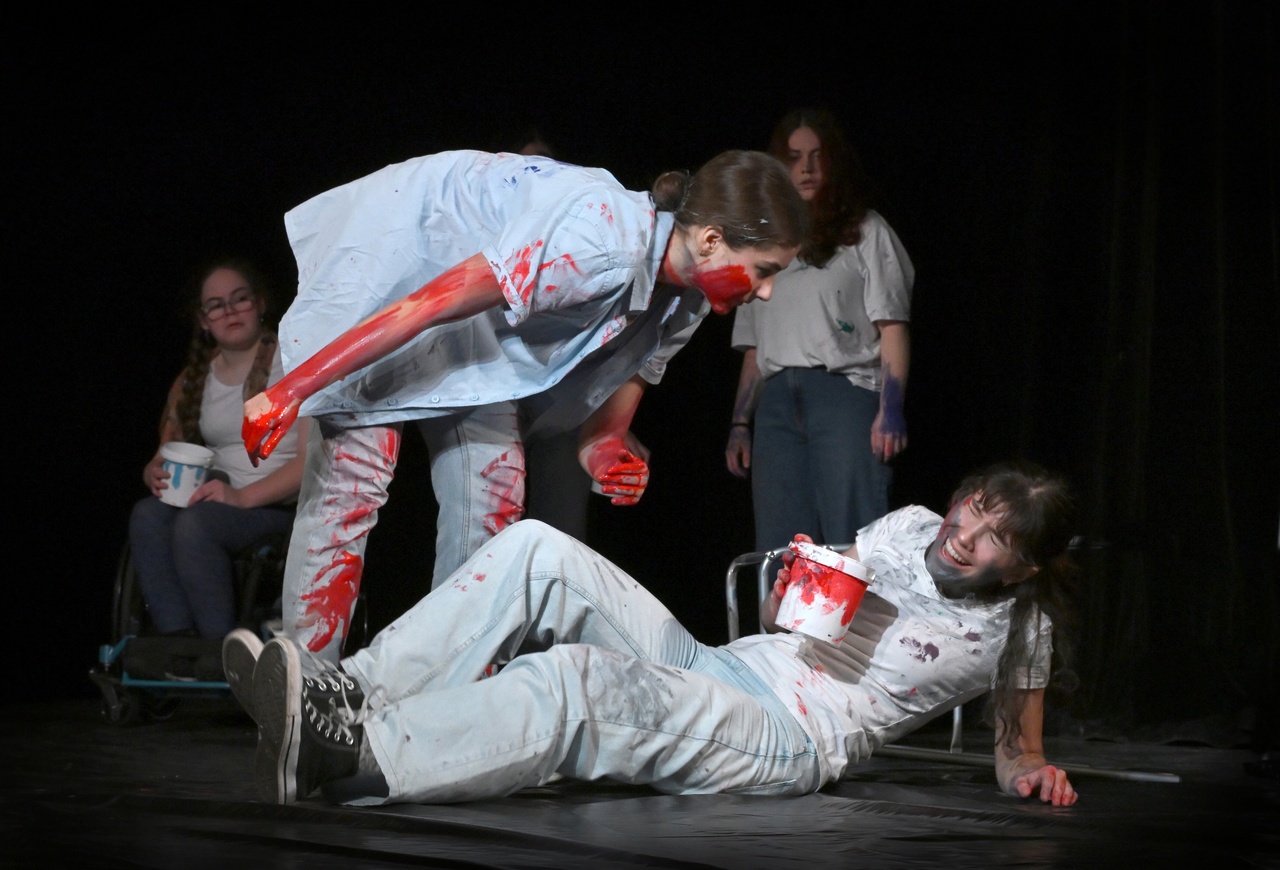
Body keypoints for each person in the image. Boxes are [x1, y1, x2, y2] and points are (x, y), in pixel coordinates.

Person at [227, 461, 1079, 808]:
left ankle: (355, 757)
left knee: (577, 680)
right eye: (975, 508)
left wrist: (1032, 775)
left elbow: (1019, 748)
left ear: (1023, 567)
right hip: (727, 664)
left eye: (997, 537)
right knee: (538, 550)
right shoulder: (912, 523)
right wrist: (792, 584)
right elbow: (804, 603)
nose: (966, 534)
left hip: (789, 734)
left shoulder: (1022, 629)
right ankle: (348, 694)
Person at [242, 149, 806, 662]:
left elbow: (606, 426)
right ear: (710, 240)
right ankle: (305, 682)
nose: (767, 293)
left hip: (477, 327)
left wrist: (608, 455)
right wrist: (291, 389)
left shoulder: (686, 303)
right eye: (765, 271)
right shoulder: (600, 240)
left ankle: (435, 693)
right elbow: (431, 301)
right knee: (355, 478)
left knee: (494, 493)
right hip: (399, 263)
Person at [726, 108, 914, 551]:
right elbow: (754, 347)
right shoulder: (765, 243)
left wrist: (891, 409)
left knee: (851, 535)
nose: (807, 168)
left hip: (843, 394)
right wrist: (739, 422)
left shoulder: (864, 231)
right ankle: (786, 604)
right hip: (776, 403)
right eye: (794, 158)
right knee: (782, 543)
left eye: (816, 156)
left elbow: (892, 326)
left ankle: (859, 602)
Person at [128, 261, 308, 676]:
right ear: (204, 320)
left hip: (276, 506)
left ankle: (220, 649)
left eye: (239, 299)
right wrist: (153, 471)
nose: (229, 311)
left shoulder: (295, 365)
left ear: (259, 304)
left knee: (196, 524)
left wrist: (241, 497)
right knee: (148, 515)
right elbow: (165, 451)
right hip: (219, 500)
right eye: (216, 305)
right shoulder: (195, 379)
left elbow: (308, 464)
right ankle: (178, 642)